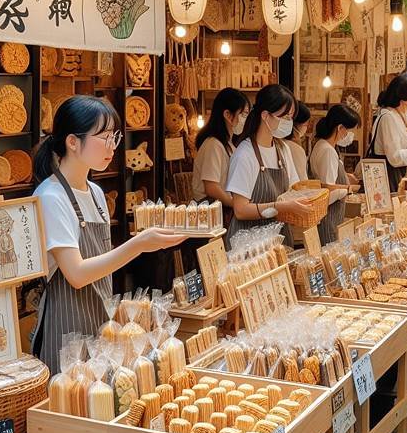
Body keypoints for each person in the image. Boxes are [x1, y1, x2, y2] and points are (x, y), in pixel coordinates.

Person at [31, 96, 187, 374]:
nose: (113, 146)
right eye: (104, 137)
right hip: (66, 330)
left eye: (114, 137)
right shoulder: (50, 196)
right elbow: (76, 274)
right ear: (72, 142)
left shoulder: (97, 193)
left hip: (101, 327)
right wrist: (138, 244)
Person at [226, 84, 311, 247]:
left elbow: (293, 189)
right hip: (248, 245)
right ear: (265, 115)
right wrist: (280, 207)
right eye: (285, 116)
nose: (289, 122)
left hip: (278, 239)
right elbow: (240, 210)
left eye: (291, 117)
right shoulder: (245, 154)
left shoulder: (282, 149)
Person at [309, 104, 361, 244]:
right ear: (340, 128)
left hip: (329, 217)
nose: (350, 135)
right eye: (349, 131)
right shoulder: (327, 151)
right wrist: (347, 190)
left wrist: (345, 176)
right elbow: (328, 193)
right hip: (328, 219)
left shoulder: (323, 145)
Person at [192, 87, 250, 209]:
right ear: (228, 115)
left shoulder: (229, 144)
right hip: (211, 211)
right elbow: (211, 187)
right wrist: (235, 204)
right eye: (243, 114)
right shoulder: (213, 144)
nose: (246, 119)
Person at [285, 102, 311, 181]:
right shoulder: (294, 148)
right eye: (306, 124)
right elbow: (302, 181)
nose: (307, 127)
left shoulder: (281, 143)